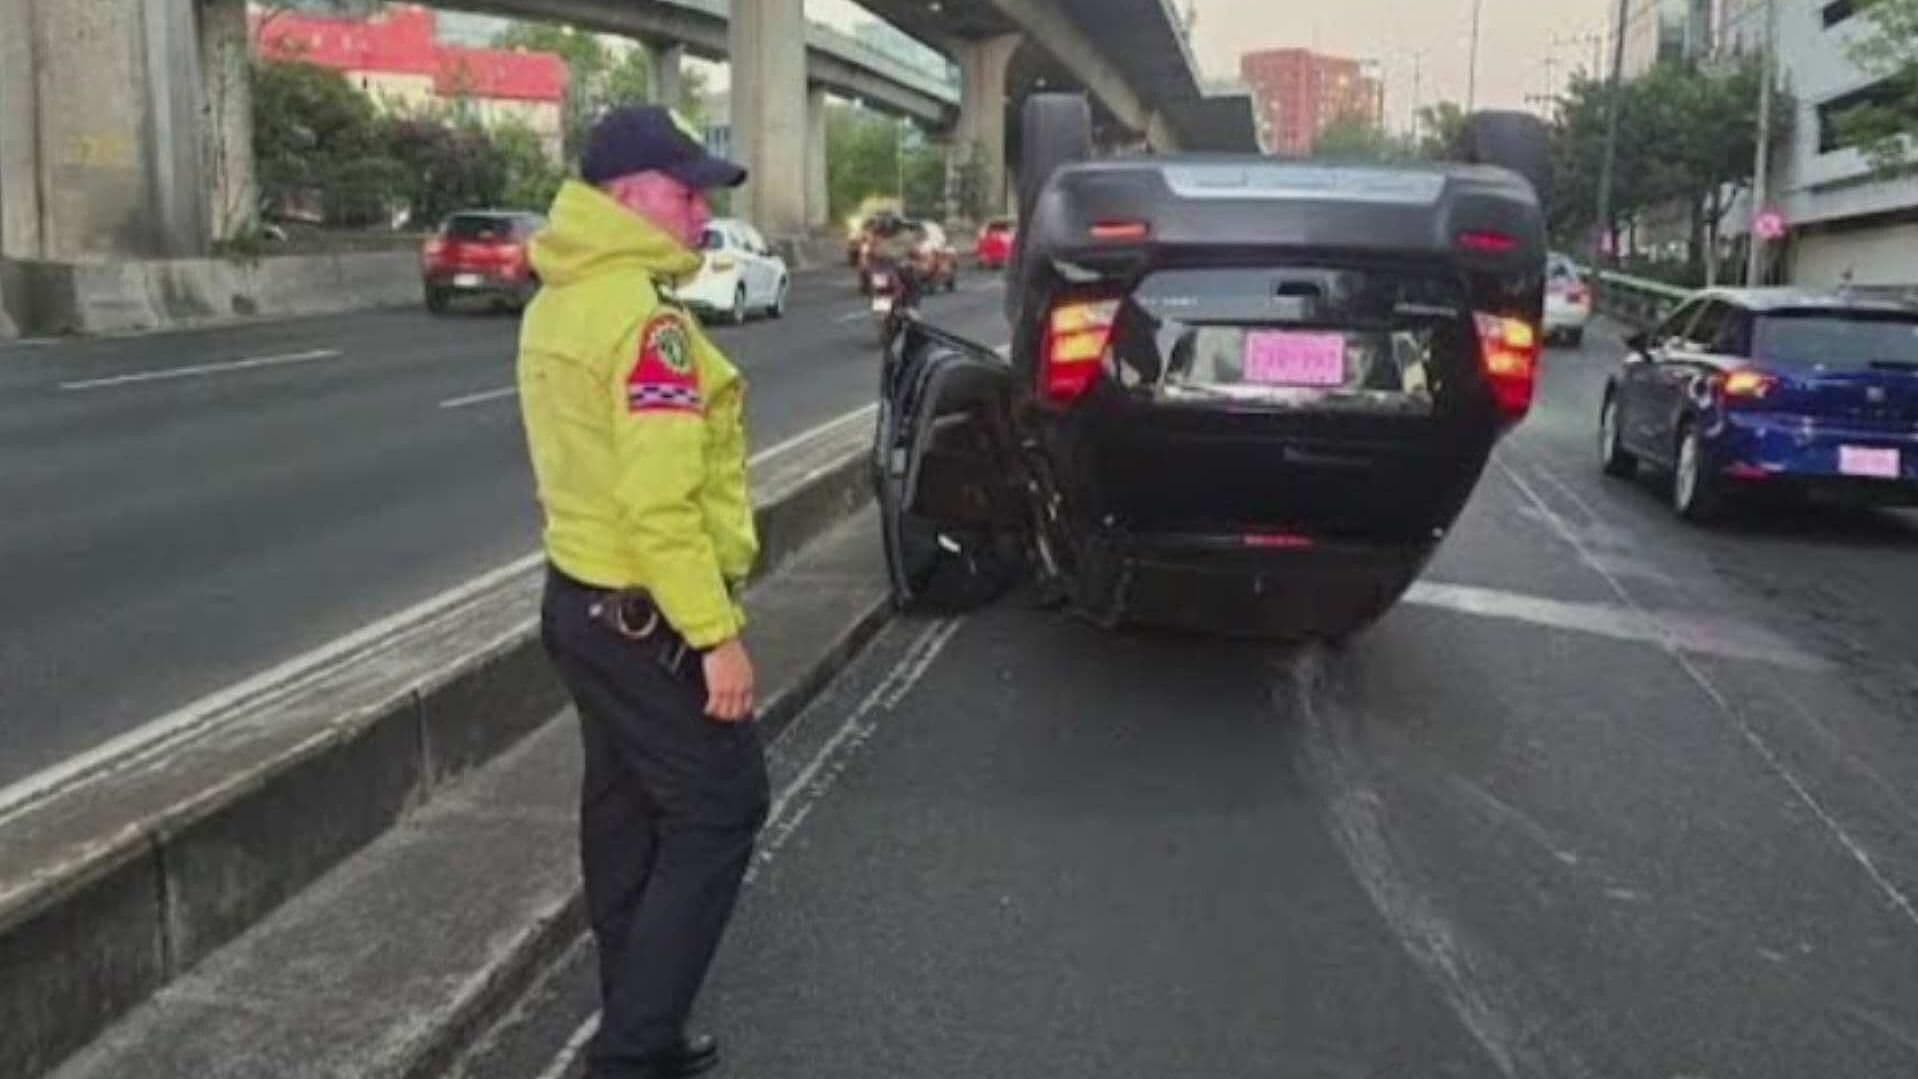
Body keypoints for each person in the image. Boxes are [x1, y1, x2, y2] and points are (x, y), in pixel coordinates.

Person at [517, 105, 766, 1079]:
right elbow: (658, 504)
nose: (700, 211)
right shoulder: (647, 325)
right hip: (646, 614)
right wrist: (717, 635)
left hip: (576, 601)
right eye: (684, 191)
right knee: (720, 807)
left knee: (623, 815)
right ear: (625, 197)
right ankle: (629, 1053)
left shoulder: (558, 300)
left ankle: (641, 1025)